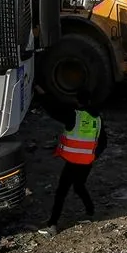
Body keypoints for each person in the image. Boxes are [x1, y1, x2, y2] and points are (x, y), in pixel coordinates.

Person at [41, 92, 107, 236]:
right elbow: (103, 143)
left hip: (73, 162)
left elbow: (53, 112)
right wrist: (92, 156)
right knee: (79, 186)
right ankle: (90, 211)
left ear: (77, 101)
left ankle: (52, 225)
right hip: (87, 162)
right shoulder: (97, 118)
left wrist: (43, 96)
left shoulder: (74, 116)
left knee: (61, 192)